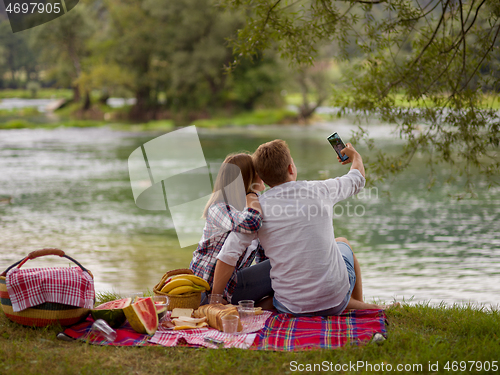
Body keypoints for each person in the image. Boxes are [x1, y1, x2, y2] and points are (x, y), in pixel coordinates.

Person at [212, 139, 388, 316]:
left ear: (263, 178)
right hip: (336, 301)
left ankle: (354, 304)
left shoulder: (258, 210)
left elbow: (228, 255)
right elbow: (357, 179)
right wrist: (355, 156)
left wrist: (215, 298)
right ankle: (358, 304)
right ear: (291, 168)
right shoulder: (319, 189)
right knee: (343, 243)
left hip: (289, 307)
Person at [189, 153, 273, 305]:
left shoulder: (253, 210)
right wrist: (253, 196)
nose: (263, 174)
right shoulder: (218, 209)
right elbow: (252, 223)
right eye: (258, 171)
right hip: (205, 292)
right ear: (248, 178)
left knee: (283, 264)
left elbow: (263, 257)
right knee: (281, 264)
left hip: (231, 285)